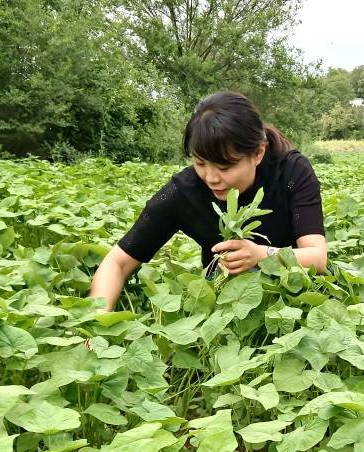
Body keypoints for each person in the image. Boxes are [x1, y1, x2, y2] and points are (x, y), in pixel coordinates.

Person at [88, 91, 328, 312]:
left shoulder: (291, 172)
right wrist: (95, 324)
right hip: (223, 303)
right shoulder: (184, 191)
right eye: (200, 163)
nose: (212, 178)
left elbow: (317, 258)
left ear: (258, 153)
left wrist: (261, 255)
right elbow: (117, 263)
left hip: (294, 298)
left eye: (225, 166)